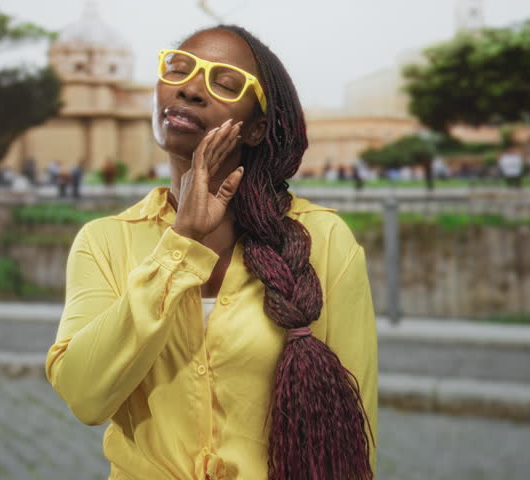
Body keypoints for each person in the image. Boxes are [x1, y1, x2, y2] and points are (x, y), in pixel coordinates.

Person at [45, 25, 377, 480]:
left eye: (224, 83)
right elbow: (85, 396)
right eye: (178, 70)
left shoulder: (325, 239)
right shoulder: (105, 241)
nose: (189, 89)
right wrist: (179, 247)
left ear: (258, 128)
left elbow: (351, 437)